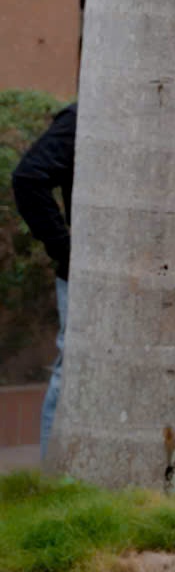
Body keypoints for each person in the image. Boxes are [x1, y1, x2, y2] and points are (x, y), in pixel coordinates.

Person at [10, 102, 77, 453]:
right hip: (85, 276)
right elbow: (28, 178)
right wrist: (66, 248)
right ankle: (52, 479)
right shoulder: (83, 116)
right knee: (72, 372)